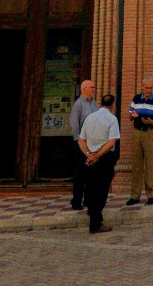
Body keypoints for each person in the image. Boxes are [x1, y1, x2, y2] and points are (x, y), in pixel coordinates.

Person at [79, 93, 120, 234]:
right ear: (112, 105)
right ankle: (95, 223)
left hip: (90, 158)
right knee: (101, 191)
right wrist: (98, 155)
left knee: (91, 187)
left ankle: (92, 213)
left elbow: (81, 140)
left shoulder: (90, 118)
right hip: (104, 158)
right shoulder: (112, 119)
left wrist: (89, 155)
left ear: (100, 103)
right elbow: (111, 142)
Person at [126, 77, 153, 207]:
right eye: (146, 87)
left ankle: (151, 194)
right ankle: (135, 195)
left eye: (151, 88)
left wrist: (152, 121)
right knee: (136, 164)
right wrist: (133, 115)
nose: (148, 90)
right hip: (137, 132)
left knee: (150, 163)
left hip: (150, 132)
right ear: (142, 87)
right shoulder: (136, 98)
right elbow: (130, 116)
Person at [68, 80, 98, 210]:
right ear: (84, 89)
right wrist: (79, 142)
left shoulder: (93, 103)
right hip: (81, 143)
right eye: (91, 87)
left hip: (93, 143)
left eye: (93, 87)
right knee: (80, 174)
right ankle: (76, 201)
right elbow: (74, 124)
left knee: (91, 173)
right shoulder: (78, 104)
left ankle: (88, 199)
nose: (93, 89)